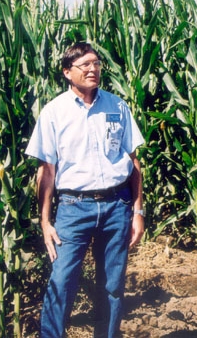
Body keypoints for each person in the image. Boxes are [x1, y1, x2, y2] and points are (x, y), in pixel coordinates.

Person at [25, 42, 145, 337]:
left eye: (97, 64)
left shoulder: (117, 105)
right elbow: (47, 172)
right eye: (85, 65)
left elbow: (134, 161)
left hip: (117, 204)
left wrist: (138, 211)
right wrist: (45, 221)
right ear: (67, 72)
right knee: (62, 281)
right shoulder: (54, 113)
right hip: (73, 208)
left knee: (112, 286)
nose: (93, 69)